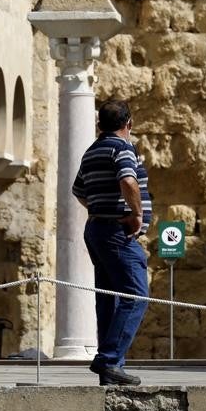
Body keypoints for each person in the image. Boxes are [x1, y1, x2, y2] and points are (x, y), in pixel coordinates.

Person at [72, 99, 153, 386]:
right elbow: (128, 181)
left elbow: (78, 190)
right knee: (136, 294)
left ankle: (112, 367)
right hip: (117, 233)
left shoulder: (91, 151)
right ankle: (108, 359)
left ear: (99, 125)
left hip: (96, 229)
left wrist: (98, 206)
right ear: (128, 124)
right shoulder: (122, 149)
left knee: (108, 298)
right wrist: (135, 214)